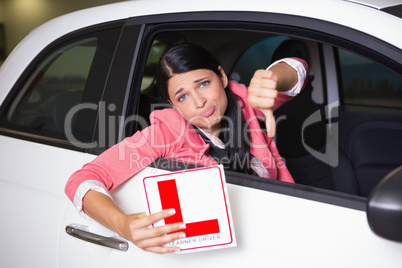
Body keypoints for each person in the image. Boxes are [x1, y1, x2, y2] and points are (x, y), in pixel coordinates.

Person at [65, 43, 308, 254]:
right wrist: (123, 226)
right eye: (182, 97)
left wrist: (272, 78)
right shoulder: (164, 133)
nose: (199, 102)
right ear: (172, 104)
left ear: (221, 77)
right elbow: (82, 180)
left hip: (281, 228)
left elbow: (297, 69)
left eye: (203, 84)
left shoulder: (245, 102)